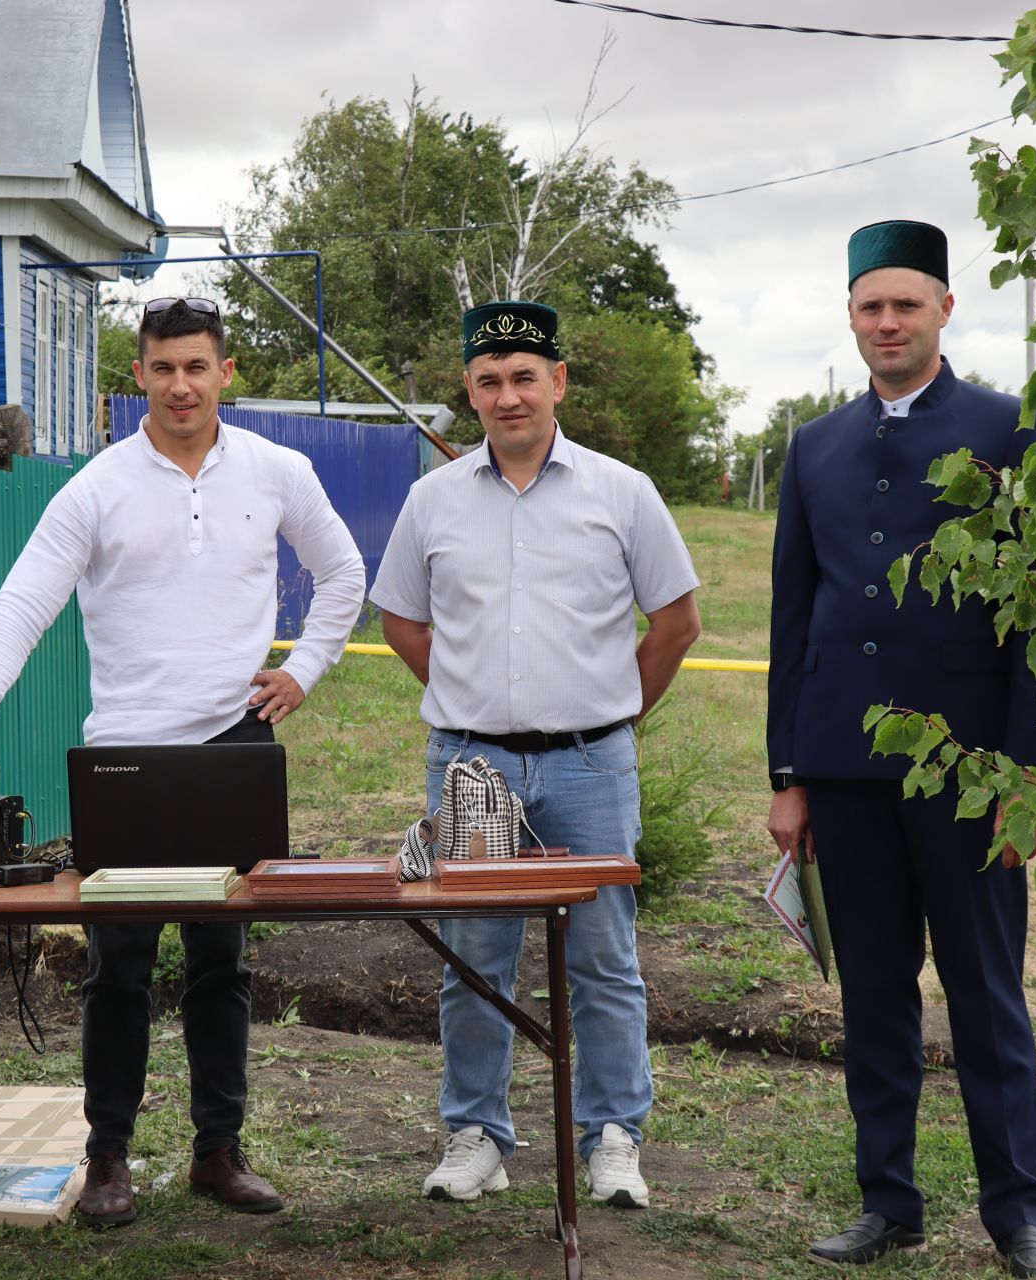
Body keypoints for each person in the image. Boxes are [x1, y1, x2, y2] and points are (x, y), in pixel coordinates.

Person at [0, 297, 365, 1227]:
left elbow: (344, 573)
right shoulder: (94, 488)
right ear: (139, 374)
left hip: (231, 748)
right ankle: (108, 1161)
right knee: (117, 968)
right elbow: (20, 611)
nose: (181, 385)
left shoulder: (277, 471)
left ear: (226, 373)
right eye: (163, 367)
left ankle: (218, 1153)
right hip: (127, 754)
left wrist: (305, 671)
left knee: (223, 963)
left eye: (197, 367)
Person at [765, 221, 1036, 1278]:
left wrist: (1030, 777)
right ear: (851, 316)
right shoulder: (814, 446)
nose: (886, 322)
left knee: (988, 997)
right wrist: (789, 775)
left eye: (905, 303)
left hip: (974, 778)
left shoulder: (1011, 428)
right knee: (875, 997)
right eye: (868, 306)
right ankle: (887, 1201)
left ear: (945, 307)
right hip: (845, 774)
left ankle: (1020, 1214)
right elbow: (793, 620)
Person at [370, 300, 702, 1209]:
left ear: (557, 383)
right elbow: (399, 617)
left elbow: (676, 622)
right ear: (469, 393)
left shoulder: (621, 491)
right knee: (475, 957)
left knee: (603, 960)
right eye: (489, 381)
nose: (508, 396)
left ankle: (613, 1137)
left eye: (525, 378)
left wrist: (613, 714)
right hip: (470, 769)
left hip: (590, 766)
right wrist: (473, 698)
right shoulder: (431, 500)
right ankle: (476, 1133)